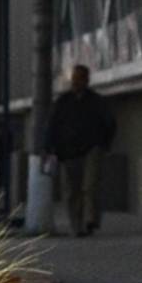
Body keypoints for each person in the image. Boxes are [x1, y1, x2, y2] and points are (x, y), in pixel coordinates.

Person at [41, 65, 115, 237]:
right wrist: (48, 147)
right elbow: (51, 126)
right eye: (74, 78)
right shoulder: (63, 102)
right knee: (72, 191)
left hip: (92, 149)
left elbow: (110, 123)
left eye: (80, 78)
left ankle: (90, 219)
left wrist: (104, 144)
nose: (76, 82)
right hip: (68, 152)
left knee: (90, 185)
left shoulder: (96, 101)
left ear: (86, 80)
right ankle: (77, 226)